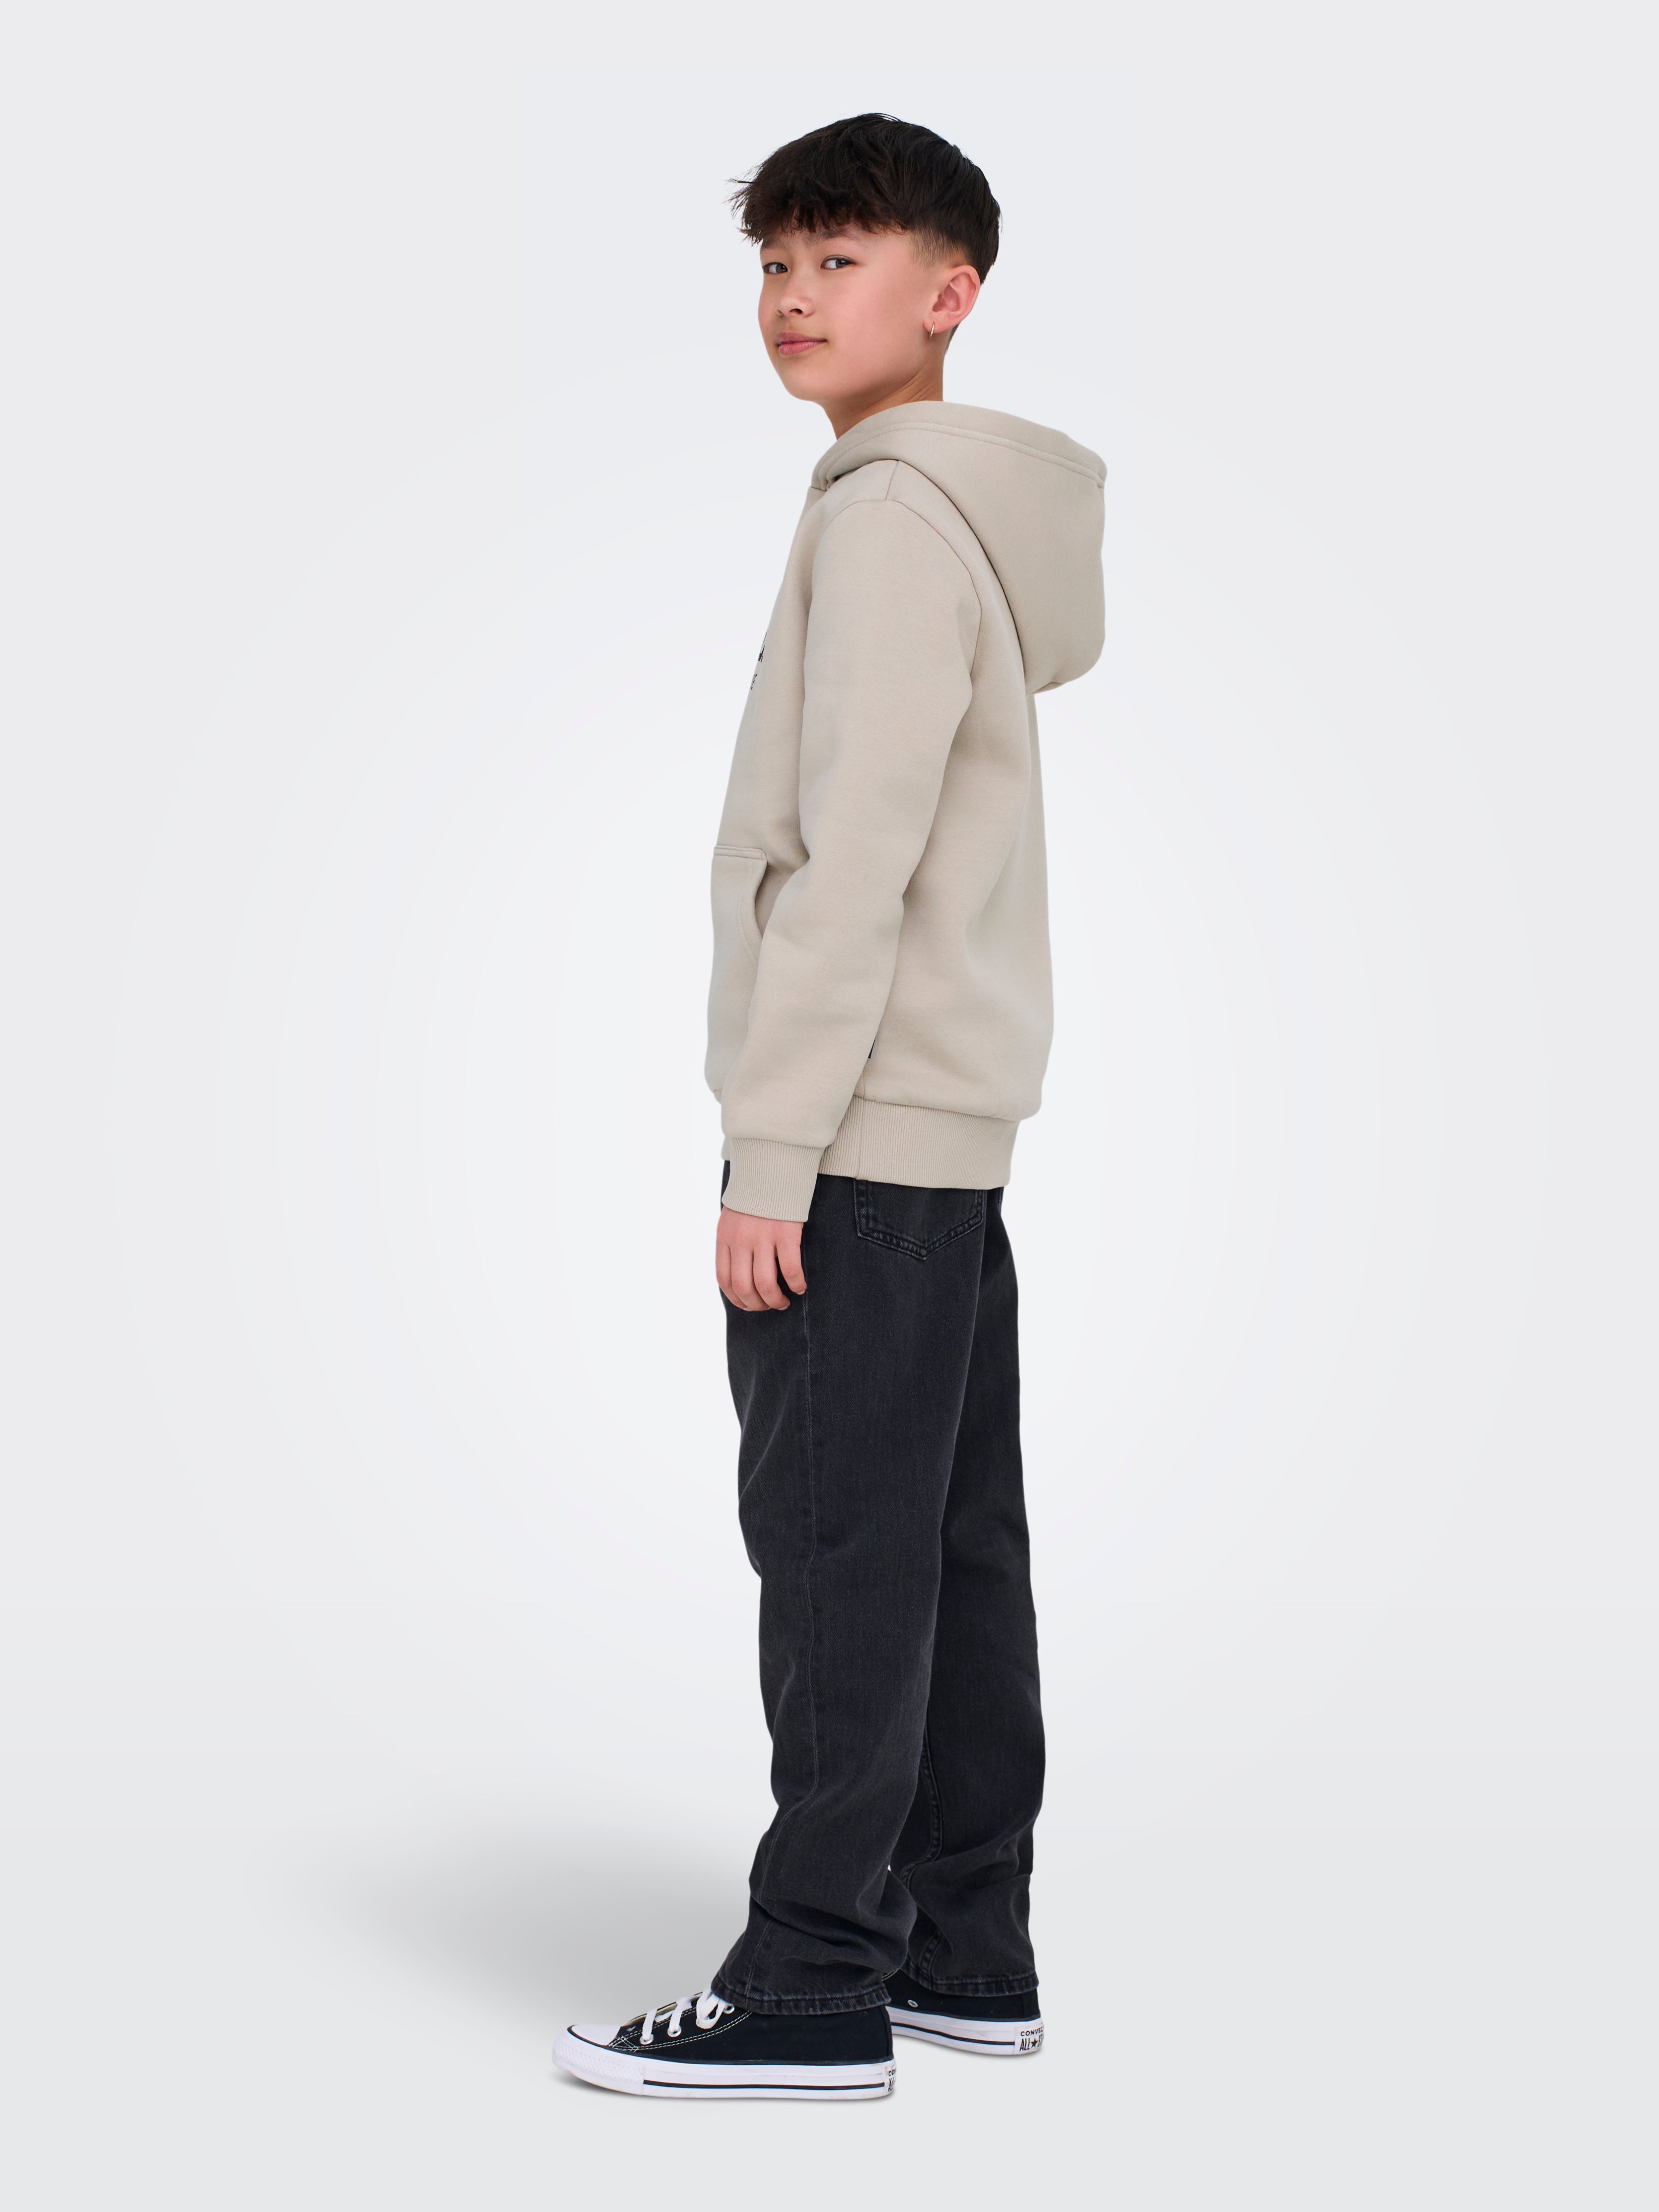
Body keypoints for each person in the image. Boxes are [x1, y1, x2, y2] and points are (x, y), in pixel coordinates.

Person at [556, 112, 1105, 2101]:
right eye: (774, 264)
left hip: (855, 1137)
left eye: (838, 259)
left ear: (951, 295)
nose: (793, 298)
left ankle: (808, 1984)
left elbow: (850, 861)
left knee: (838, 1549)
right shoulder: (956, 515)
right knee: (946, 1547)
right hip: (943, 1137)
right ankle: (965, 1948)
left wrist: (770, 1152)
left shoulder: (886, 518)